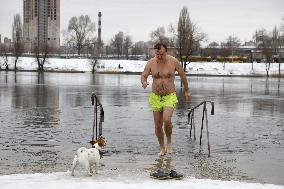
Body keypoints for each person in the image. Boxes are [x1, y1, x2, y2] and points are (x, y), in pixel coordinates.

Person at [141, 43, 191, 156]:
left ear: (166, 52)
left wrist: (187, 90)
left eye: (161, 54)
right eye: (157, 54)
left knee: (167, 119)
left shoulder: (173, 61)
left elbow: (183, 75)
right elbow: (144, 75)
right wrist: (144, 82)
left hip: (169, 96)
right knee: (158, 125)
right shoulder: (151, 63)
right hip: (155, 97)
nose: (159, 56)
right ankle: (162, 147)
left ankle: (169, 142)